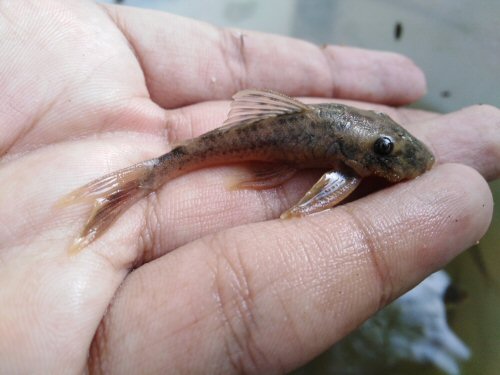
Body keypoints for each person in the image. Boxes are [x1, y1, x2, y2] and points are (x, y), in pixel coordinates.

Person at [0, 1, 498, 373]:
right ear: (355, 157)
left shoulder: (350, 154)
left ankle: (150, 175)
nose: (387, 155)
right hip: (236, 145)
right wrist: (303, 207)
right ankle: (147, 177)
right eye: (383, 149)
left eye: (383, 145)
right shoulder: (345, 170)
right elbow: (313, 202)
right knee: (168, 167)